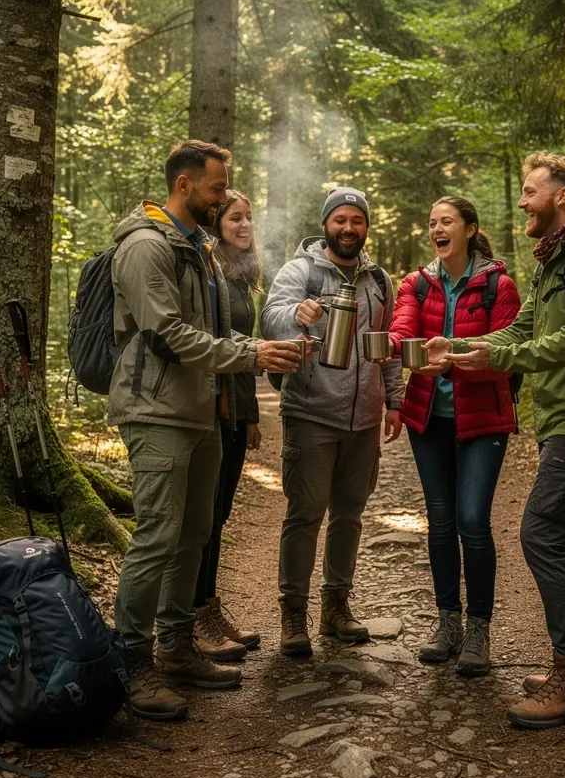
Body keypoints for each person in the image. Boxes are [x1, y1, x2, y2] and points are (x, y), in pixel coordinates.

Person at [425, 154, 565, 729]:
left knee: (541, 532)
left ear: (561, 196)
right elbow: (524, 329)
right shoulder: (557, 256)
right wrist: (461, 349)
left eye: (529, 191)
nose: (521, 202)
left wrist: (500, 359)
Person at [109, 140, 301, 721]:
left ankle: (175, 647)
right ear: (185, 184)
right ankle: (132, 662)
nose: (221, 199)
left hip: (200, 411)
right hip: (156, 411)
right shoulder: (146, 246)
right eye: (216, 188)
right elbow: (167, 334)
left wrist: (258, 350)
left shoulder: (197, 248)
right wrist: (249, 355)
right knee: (156, 537)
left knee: (194, 533)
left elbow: (209, 329)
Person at [260, 187, 405, 657]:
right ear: (326, 224)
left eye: (357, 220)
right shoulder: (300, 270)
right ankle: (293, 614)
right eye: (340, 219)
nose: (348, 228)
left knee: (349, 514)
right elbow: (270, 318)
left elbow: (386, 345)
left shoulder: (378, 279)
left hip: (363, 420)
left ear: (366, 227)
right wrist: (295, 313)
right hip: (311, 413)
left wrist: (394, 400)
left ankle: (336, 606)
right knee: (305, 514)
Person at [388, 197, 520, 677]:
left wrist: (452, 362)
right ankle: (448, 623)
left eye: (446, 222)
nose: (436, 229)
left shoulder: (498, 286)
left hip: (484, 419)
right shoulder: (417, 283)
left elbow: (506, 352)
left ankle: (479, 628)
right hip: (429, 421)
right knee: (441, 521)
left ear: (470, 230)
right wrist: (392, 345)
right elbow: (403, 327)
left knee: (472, 520)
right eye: (431, 223)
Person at [191, 190, 264, 662]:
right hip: (212, 410)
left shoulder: (241, 276)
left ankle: (210, 609)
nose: (244, 225)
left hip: (236, 410)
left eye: (249, 217)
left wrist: (251, 415)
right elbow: (218, 344)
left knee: (219, 515)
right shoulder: (209, 269)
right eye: (235, 217)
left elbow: (245, 349)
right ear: (216, 224)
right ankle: (194, 615)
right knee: (204, 515)